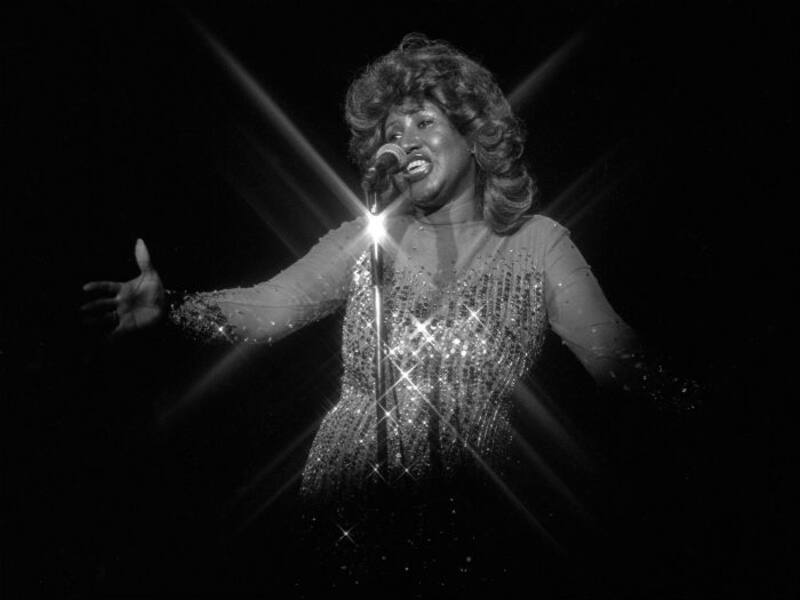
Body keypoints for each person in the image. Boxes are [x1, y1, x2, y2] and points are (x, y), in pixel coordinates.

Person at [82, 34, 698, 596]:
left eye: (424, 122)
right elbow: (271, 307)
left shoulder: (538, 243)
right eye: (392, 132)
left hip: (471, 514)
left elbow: (617, 359)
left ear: (473, 135)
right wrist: (173, 307)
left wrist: (706, 406)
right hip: (347, 509)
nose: (404, 142)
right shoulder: (368, 239)